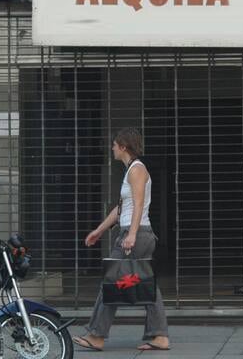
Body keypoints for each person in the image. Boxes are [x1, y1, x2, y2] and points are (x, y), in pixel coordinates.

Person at [72, 128, 170, 352]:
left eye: (115, 144)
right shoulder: (131, 171)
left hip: (136, 234)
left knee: (112, 282)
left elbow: (137, 205)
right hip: (138, 233)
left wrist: (132, 234)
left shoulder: (137, 170)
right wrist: (99, 230)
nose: (112, 148)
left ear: (124, 146)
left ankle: (97, 335)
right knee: (145, 283)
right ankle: (160, 335)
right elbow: (121, 209)